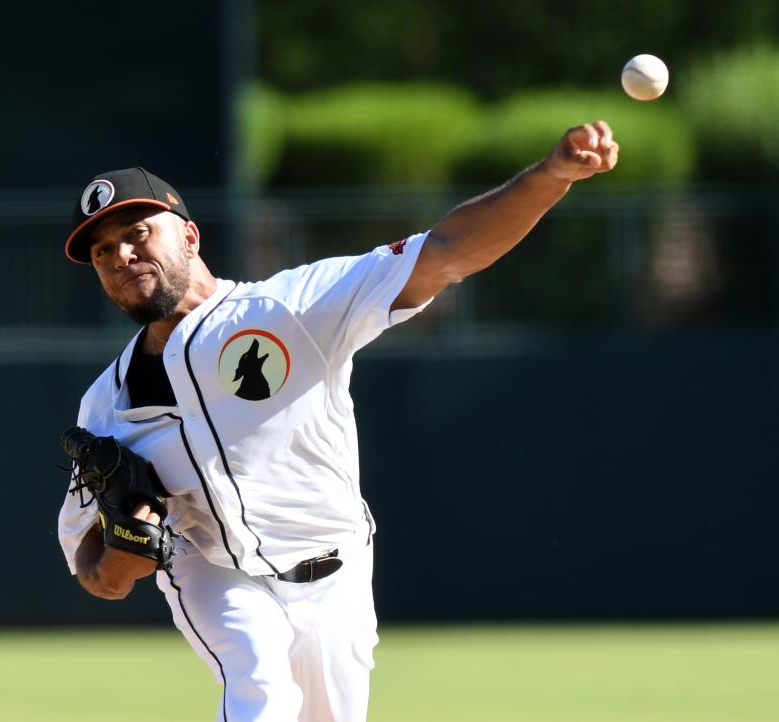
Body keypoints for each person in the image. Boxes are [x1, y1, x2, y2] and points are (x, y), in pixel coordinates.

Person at [56, 121, 619, 721]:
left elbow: (447, 254)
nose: (122, 255)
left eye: (138, 233)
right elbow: (94, 569)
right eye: (102, 250)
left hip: (337, 571)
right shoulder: (105, 408)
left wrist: (551, 177)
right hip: (216, 573)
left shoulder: (291, 308)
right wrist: (124, 553)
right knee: (261, 695)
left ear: (190, 236)